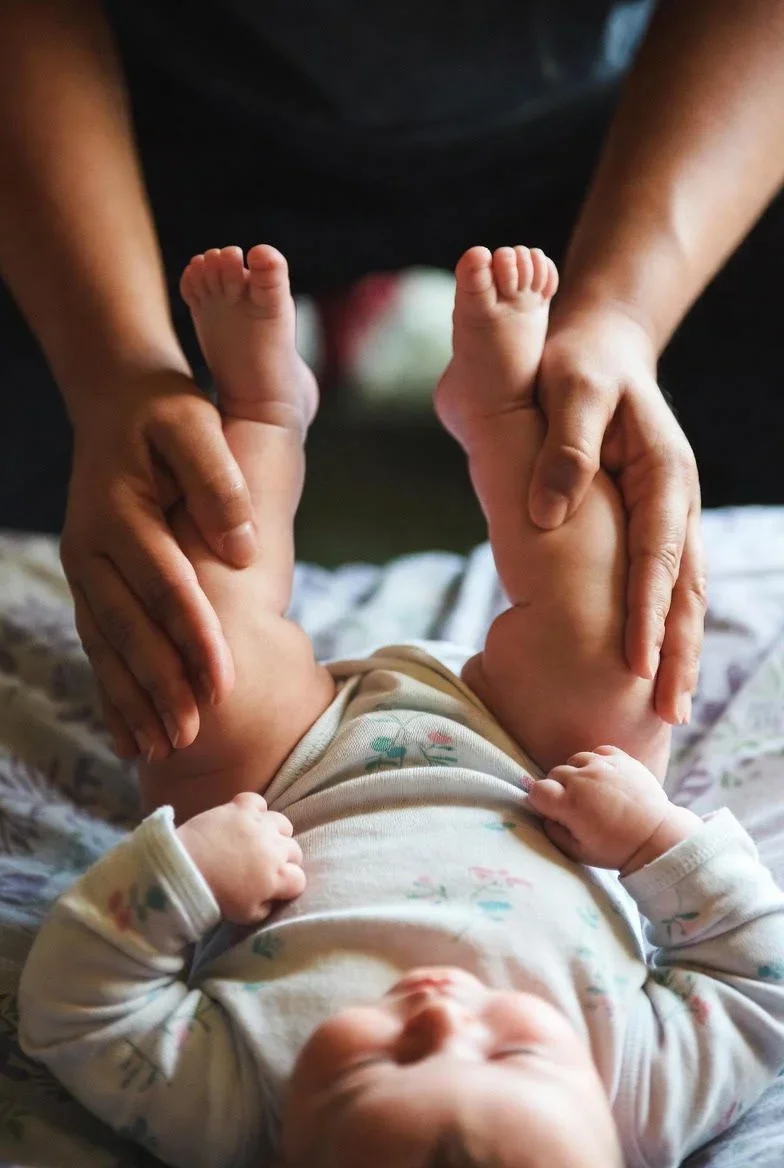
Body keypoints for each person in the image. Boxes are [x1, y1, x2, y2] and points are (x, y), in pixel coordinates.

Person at [18, 244, 784, 1168]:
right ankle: (501, 412)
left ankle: (261, 413)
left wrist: (186, 880)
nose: (438, 1015)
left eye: (369, 1071)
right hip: (537, 764)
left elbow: (72, 1009)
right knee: (622, 661)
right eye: (515, 1050)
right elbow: (756, 986)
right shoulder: (646, 1093)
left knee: (199, 668)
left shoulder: (231, 1109)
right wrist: (656, 844)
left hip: (279, 775)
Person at [4, 2, 784, 766]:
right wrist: (115, 372)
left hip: (616, 130)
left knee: (206, 709)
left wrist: (623, 318)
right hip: (166, 127)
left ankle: (271, 407)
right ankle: (336, 406)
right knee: (609, 686)